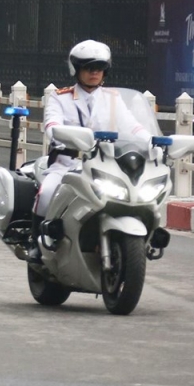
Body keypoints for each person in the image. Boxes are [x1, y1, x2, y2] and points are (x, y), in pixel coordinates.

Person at [29, 40, 150, 263]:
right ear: (76, 69)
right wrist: (60, 132)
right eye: (88, 67)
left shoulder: (114, 99)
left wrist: (151, 141)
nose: (95, 72)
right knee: (47, 193)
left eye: (100, 67)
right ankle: (37, 244)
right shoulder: (60, 97)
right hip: (68, 164)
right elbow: (51, 125)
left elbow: (132, 126)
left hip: (106, 165)